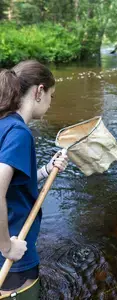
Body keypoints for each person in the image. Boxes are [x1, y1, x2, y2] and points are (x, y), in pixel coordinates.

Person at [0, 61, 68, 299]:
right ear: (39, 91)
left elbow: (13, 184)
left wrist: (47, 170)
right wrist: (7, 247)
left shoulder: (3, 124)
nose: (51, 103)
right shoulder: (19, 133)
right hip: (12, 252)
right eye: (51, 95)